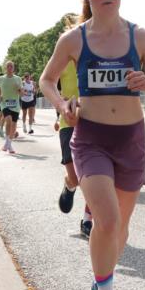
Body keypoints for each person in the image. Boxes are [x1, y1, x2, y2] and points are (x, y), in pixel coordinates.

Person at [40, 0, 145, 290]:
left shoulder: (141, 37)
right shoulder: (73, 39)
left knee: (122, 230)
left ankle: (103, 278)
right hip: (91, 138)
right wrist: (63, 105)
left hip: (131, 138)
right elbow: (46, 80)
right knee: (107, 220)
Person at [52, 15, 94, 238]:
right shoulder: (64, 57)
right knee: (77, 178)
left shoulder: (95, 57)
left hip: (93, 121)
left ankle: (87, 220)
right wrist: (60, 105)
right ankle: (69, 186)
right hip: (68, 121)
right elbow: (49, 84)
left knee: (93, 175)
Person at [0, 62, 23, 154]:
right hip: (4, 103)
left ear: (13, 68)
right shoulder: (1, 79)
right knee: (8, 120)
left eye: (12, 66)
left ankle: (8, 144)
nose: (10, 68)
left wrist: (19, 89)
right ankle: (8, 143)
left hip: (15, 104)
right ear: (5, 68)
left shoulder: (18, 79)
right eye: (8, 66)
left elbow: (21, 93)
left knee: (14, 126)